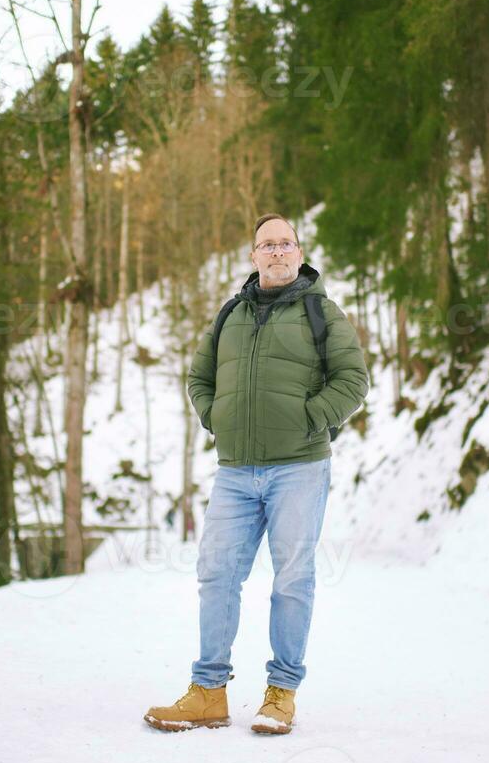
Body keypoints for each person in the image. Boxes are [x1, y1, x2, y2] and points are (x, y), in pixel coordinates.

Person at [143, 213, 369, 734]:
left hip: (300, 469)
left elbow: (353, 379)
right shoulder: (230, 314)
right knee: (216, 574)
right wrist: (214, 416)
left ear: (298, 251)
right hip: (235, 472)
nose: (276, 252)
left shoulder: (322, 312)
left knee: (292, 578)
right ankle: (208, 693)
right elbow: (199, 376)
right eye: (266, 245)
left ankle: (281, 693)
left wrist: (309, 420)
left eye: (285, 243)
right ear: (253, 256)